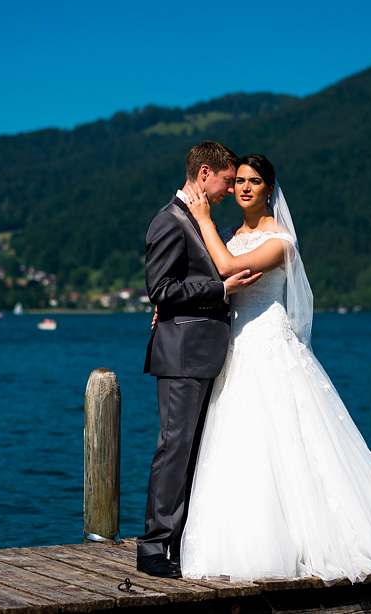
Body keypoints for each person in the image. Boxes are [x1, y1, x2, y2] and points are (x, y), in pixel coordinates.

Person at [178, 154, 371, 583]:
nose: (245, 187)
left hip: (269, 344)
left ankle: (306, 537)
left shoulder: (281, 242)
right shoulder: (227, 233)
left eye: (255, 181)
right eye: (240, 180)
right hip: (234, 349)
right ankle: (244, 535)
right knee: (241, 442)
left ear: (270, 190)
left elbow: (227, 267)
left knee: (288, 441)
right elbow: (206, 278)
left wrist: (202, 217)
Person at [138, 141, 263, 578]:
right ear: (205, 173)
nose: (231, 190)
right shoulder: (169, 221)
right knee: (174, 450)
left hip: (203, 353)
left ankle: (178, 541)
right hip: (181, 354)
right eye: (229, 181)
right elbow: (162, 290)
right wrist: (221, 291)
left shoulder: (201, 222)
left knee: (193, 452)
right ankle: (153, 548)